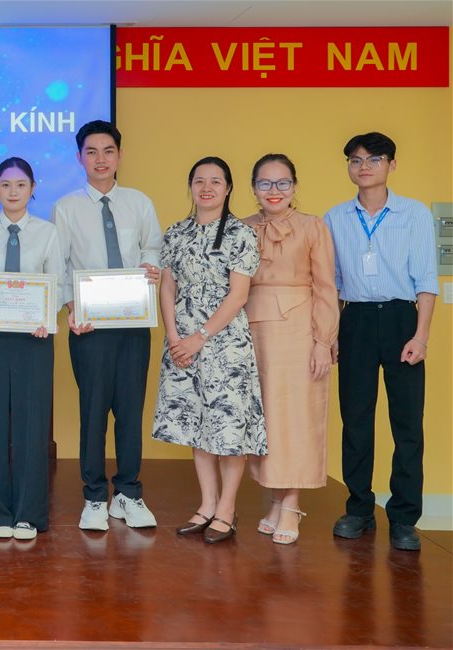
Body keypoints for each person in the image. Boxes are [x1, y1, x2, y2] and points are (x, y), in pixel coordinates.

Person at [324, 132, 438, 552]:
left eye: (374, 159)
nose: (364, 167)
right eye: (356, 160)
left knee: (407, 423)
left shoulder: (414, 214)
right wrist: (331, 334)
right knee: (355, 419)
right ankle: (358, 509)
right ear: (349, 167)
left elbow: (426, 281)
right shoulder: (335, 217)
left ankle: (404, 517)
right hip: (354, 319)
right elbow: (332, 284)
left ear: (391, 164)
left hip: (401, 318)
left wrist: (420, 337)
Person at [52, 120, 163, 532]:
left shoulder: (139, 202)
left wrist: (150, 265)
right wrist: (72, 309)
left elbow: (153, 246)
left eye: (108, 150)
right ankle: (95, 496)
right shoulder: (66, 208)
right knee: (94, 412)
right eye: (92, 152)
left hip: (134, 323)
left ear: (119, 155)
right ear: (79, 157)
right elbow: (61, 265)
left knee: (130, 411)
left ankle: (129, 493)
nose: (101, 159)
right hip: (90, 328)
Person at [152, 156, 266, 544]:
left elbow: (239, 295)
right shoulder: (176, 232)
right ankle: (207, 504)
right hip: (181, 342)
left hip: (225, 342)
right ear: (190, 186)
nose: (207, 188)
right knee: (197, 424)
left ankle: (227, 510)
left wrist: (199, 337)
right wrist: (173, 336)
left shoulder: (240, 233)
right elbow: (168, 287)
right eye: (199, 180)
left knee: (228, 427)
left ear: (228, 188)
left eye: (216, 181)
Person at [0, 157, 65, 541]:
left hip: (33, 340)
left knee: (31, 427)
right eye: (5, 185)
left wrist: (46, 315)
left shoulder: (48, 232)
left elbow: (56, 282)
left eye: (20, 185)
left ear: (32, 189)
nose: (13, 192)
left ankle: (28, 513)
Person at [243, 154, 338, 545]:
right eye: (265, 183)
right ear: (253, 188)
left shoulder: (313, 226)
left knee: (296, 417)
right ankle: (276, 500)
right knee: (266, 418)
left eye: (282, 183)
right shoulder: (241, 227)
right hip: (250, 330)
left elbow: (327, 288)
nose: (274, 191)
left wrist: (323, 341)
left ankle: (292, 504)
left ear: (294, 186)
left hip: (299, 331)